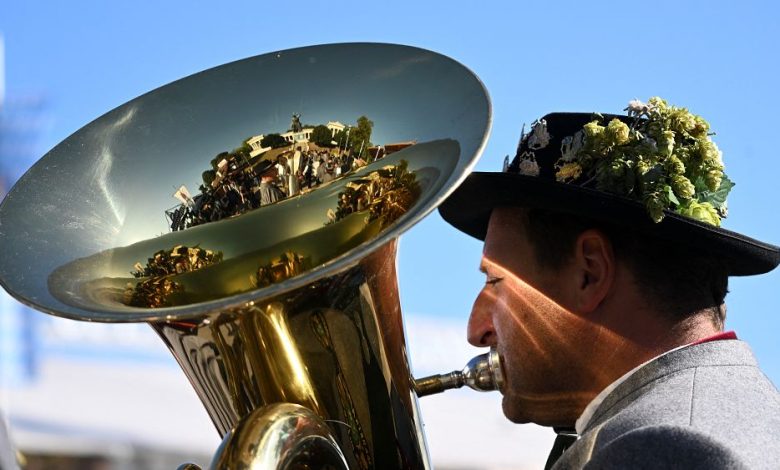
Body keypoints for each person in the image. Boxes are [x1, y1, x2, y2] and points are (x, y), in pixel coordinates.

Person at [438, 98, 780, 469]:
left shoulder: (667, 448)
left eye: (496, 282)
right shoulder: (723, 416)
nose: (477, 331)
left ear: (590, 272)